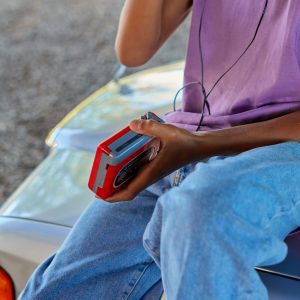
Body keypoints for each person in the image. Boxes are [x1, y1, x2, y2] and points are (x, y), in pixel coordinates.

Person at [20, 0, 300, 299]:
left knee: (203, 211)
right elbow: (133, 51)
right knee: (59, 287)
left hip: (281, 148)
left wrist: (199, 146)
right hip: (192, 136)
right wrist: (193, 145)